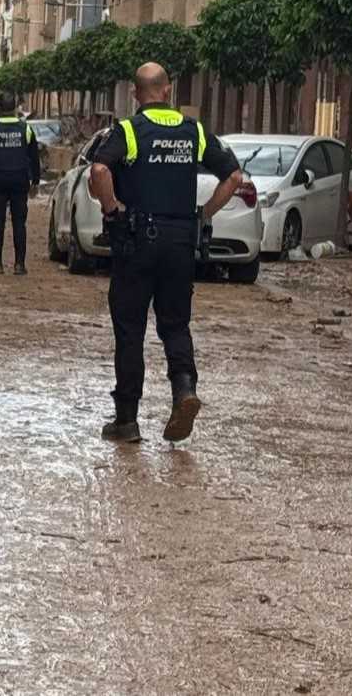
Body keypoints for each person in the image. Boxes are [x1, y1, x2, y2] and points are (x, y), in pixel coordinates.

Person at [88, 63, 241, 445]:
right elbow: (234, 177)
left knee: (130, 329)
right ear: (168, 91)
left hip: (136, 240)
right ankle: (184, 390)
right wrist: (204, 213)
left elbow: (99, 171)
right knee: (175, 324)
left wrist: (112, 209)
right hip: (179, 242)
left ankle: (127, 420)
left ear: (136, 95)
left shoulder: (128, 130)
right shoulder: (195, 132)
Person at [0, 92, 41, 275]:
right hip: (20, 181)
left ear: (0, 108)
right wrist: (35, 181)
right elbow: (34, 158)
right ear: (14, 108)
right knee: (20, 223)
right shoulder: (25, 129)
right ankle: (20, 265)